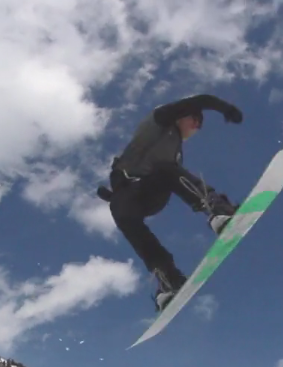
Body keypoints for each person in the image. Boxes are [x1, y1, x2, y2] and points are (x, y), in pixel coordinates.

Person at [97, 94, 244, 310]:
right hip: (131, 194)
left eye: (200, 125)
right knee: (121, 213)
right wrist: (225, 108)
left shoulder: (176, 152)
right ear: (181, 115)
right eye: (195, 119)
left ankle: (217, 209)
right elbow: (201, 99)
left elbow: (173, 177)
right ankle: (168, 278)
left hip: (153, 191)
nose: (197, 126)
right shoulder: (162, 119)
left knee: (165, 169)